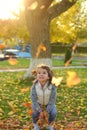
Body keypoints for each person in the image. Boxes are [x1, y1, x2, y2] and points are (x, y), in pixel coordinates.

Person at [30, 64, 57, 130]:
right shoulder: (34, 86)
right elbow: (33, 99)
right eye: (39, 73)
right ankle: (36, 124)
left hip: (49, 103)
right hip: (38, 103)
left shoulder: (52, 86)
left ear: (48, 76)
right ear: (36, 76)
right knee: (34, 113)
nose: (41, 74)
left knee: (53, 112)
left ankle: (49, 124)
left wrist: (46, 111)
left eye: (44, 73)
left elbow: (52, 100)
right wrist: (40, 111)